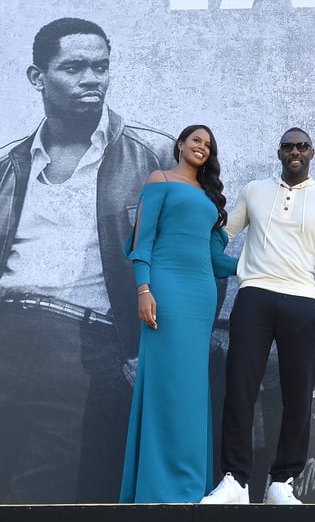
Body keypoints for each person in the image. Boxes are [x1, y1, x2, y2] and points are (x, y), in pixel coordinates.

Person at [0, 17, 173, 504]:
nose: (91, 79)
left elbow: (198, 275)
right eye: (74, 67)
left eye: (100, 67)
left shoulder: (156, 158)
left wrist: (146, 359)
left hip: (93, 352)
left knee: (52, 497)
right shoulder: (0, 170)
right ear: (37, 78)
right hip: (0, 348)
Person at [201, 127, 315, 505]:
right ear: (279, 153)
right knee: (240, 388)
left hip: (301, 302)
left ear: (312, 153)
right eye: (287, 146)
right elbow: (223, 235)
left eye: (302, 146)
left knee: (298, 395)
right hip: (254, 297)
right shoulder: (255, 191)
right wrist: (231, 262)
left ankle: (282, 483)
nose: (295, 151)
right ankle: (235, 481)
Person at [119, 125, 238, 503]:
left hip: (201, 298)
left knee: (191, 390)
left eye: (208, 143)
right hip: (165, 292)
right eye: (196, 140)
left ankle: (188, 488)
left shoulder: (208, 197)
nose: (202, 146)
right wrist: (144, 289)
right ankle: (158, 488)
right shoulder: (160, 179)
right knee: (166, 387)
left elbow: (216, 258)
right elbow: (143, 242)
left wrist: (259, 265)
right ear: (181, 145)